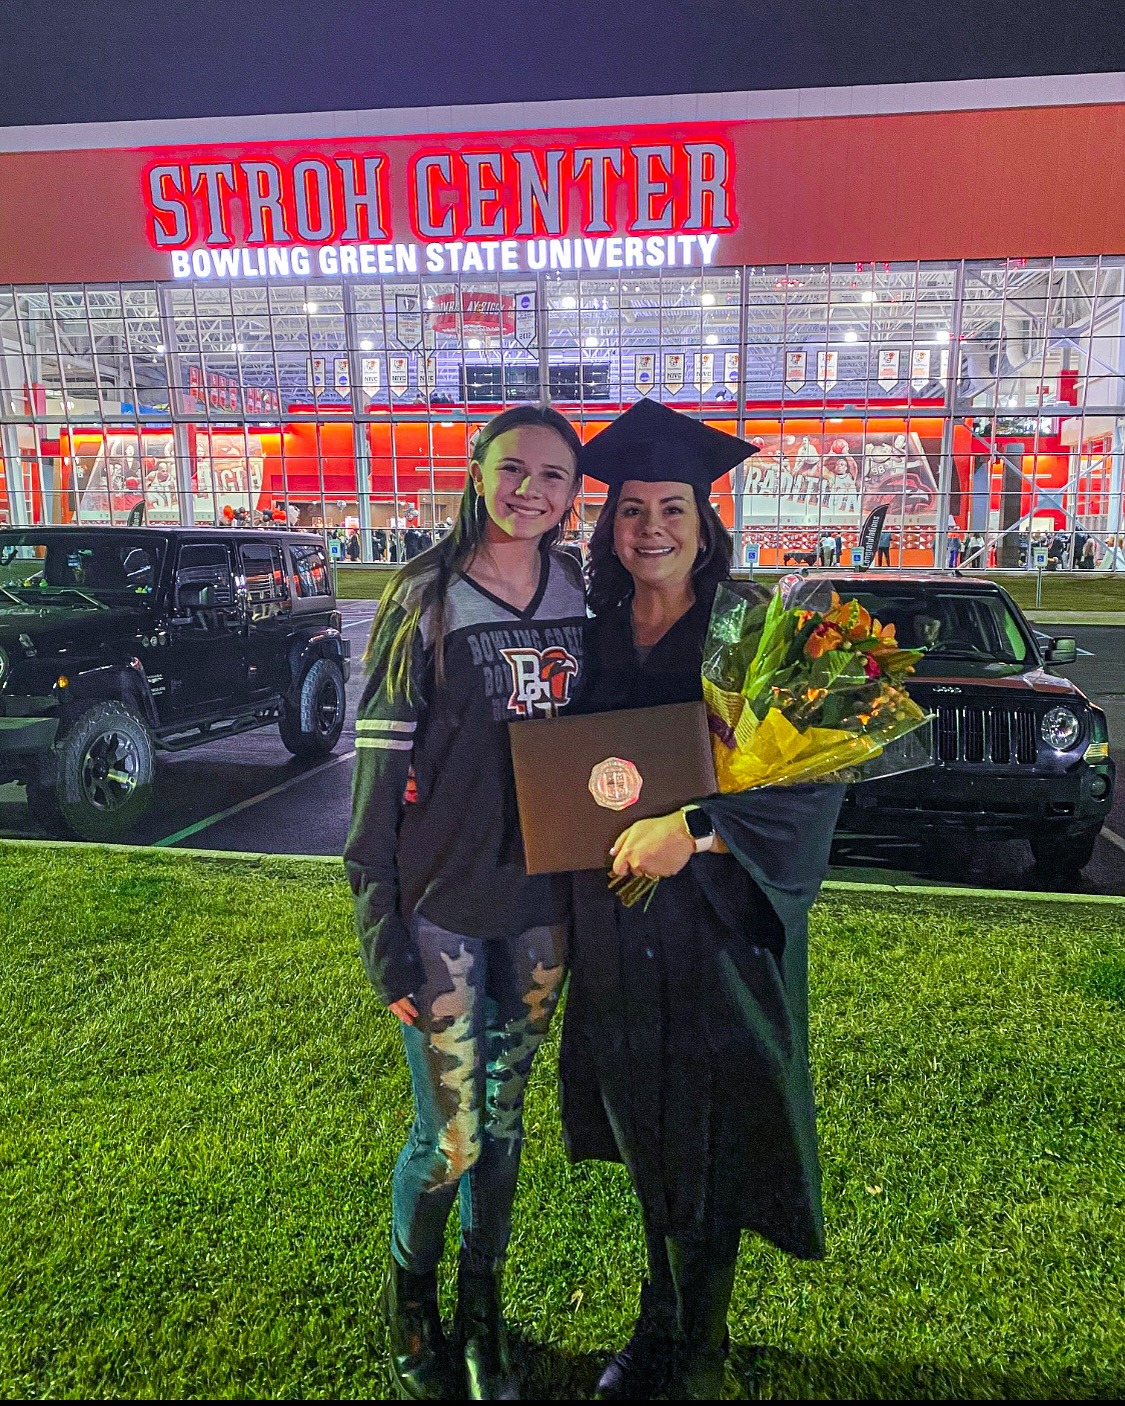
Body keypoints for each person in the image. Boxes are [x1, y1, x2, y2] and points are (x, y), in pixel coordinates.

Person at [561, 399, 845, 1400]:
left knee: (712, 1130)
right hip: (613, 917)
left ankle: (698, 1341)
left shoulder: (751, 625)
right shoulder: (586, 631)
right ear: (609, 522)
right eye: (631, 507)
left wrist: (697, 828)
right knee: (644, 1119)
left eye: (671, 506)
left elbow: (813, 776)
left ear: (704, 516)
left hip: (717, 922)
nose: (651, 526)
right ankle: (659, 1315)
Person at [344, 405, 587, 1401]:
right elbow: (373, 782)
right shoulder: (426, 594)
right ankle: (415, 1309)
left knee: (507, 1121)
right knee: (449, 1134)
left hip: (543, 911)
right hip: (441, 909)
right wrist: (381, 932)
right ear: (476, 472)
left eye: (555, 476)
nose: (532, 489)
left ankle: (483, 1312)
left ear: (575, 495)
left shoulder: (581, 593)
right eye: (513, 467)